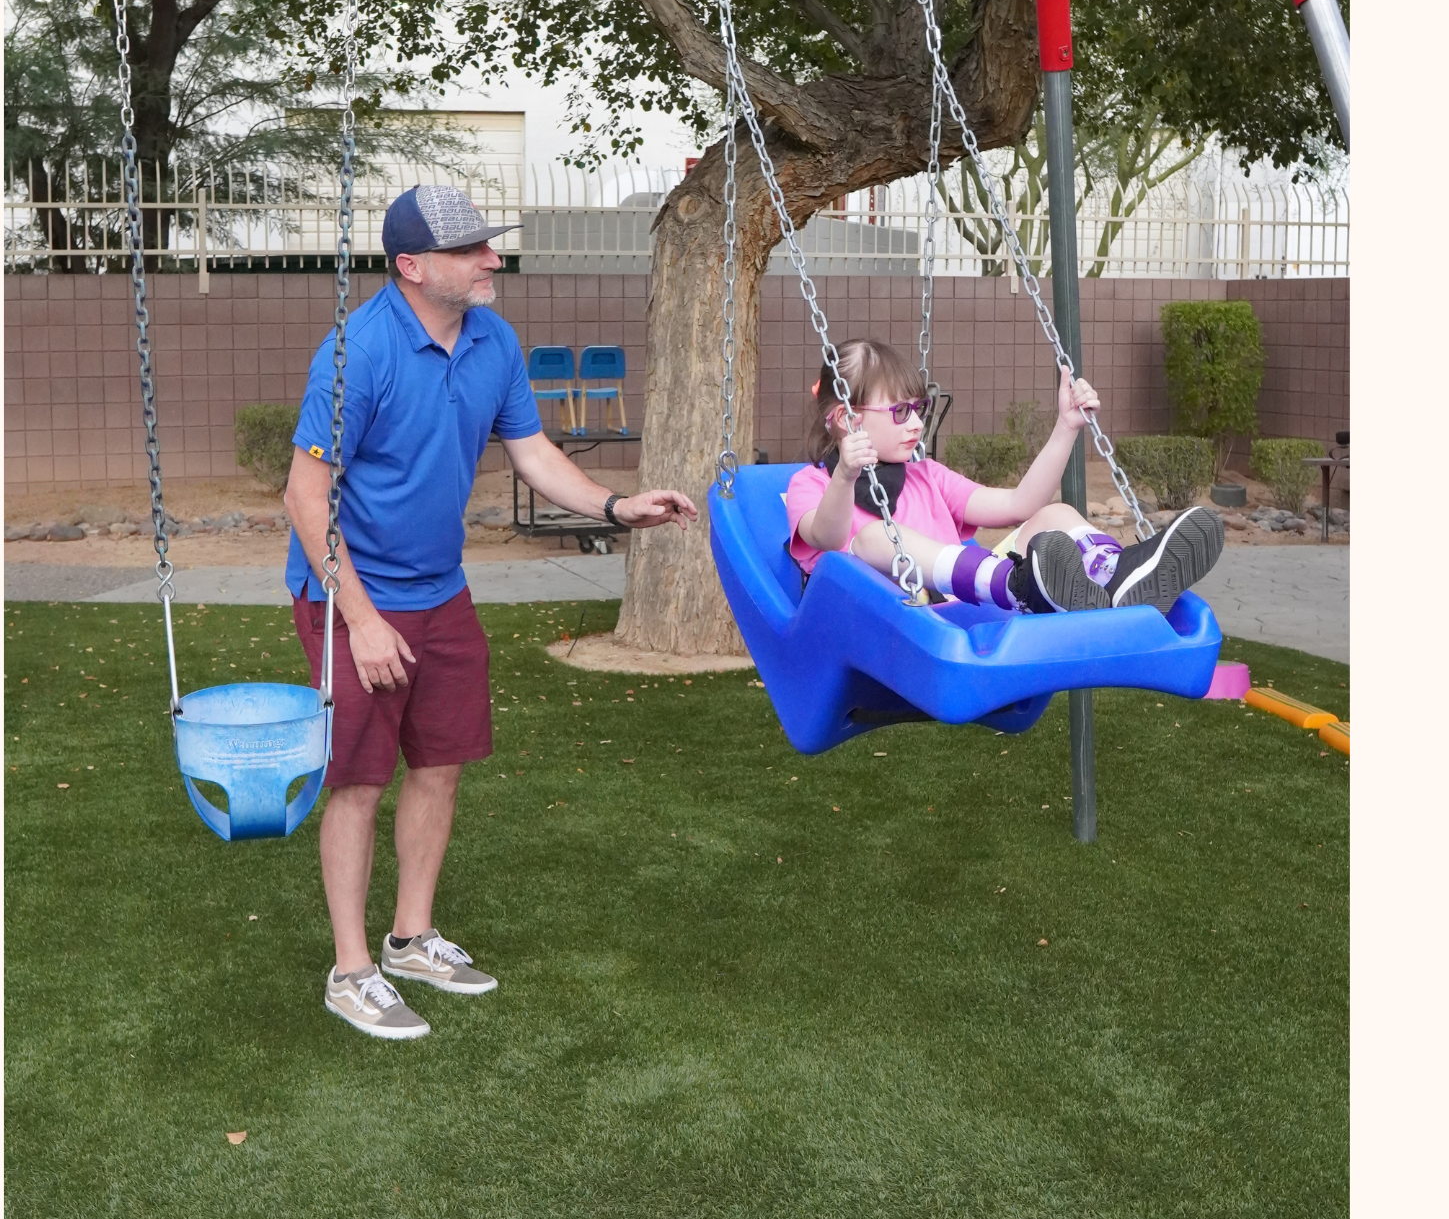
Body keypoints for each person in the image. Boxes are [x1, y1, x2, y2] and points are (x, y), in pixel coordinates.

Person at [283, 183, 697, 1040]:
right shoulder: (357, 353)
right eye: (471, 249)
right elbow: (304, 494)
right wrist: (358, 619)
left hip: (440, 589)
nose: (491, 259)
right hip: (352, 593)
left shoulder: (493, 339)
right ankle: (351, 970)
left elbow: (535, 452)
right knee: (359, 780)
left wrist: (616, 509)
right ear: (411, 267)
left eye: (487, 244)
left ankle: (410, 937)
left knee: (439, 764)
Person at [786, 338, 1224, 615]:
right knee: (874, 538)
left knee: (1055, 513)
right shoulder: (814, 484)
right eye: (900, 412)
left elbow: (1018, 506)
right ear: (846, 418)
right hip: (900, 624)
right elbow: (826, 536)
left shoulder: (927, 476)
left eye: (920, 409)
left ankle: (1116, 578)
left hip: (974, 603)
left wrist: (1065, 428)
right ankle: (1021, 584)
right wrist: (845, 474)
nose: (917, 424)